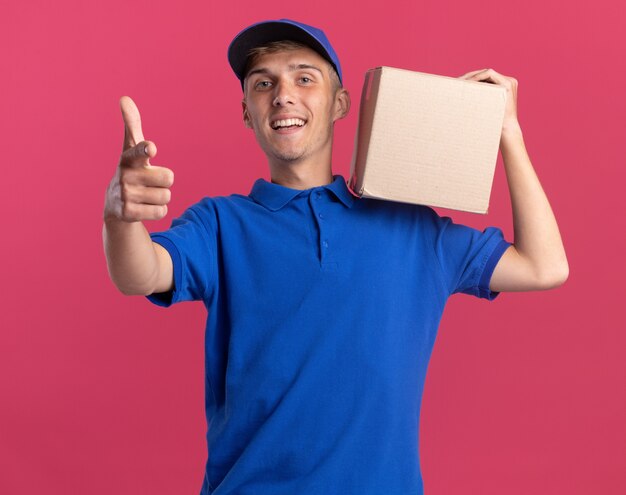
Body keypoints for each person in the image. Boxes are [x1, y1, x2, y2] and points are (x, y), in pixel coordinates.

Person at [103, 19, 568, 495]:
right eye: (264, 83)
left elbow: (545, 265)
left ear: (340, 104)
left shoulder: (410, 227)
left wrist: (507, 130)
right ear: (247, 112)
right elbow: (141, 273)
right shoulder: (221, 224)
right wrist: (120, 218)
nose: (283, 94)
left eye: (304, 78)